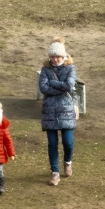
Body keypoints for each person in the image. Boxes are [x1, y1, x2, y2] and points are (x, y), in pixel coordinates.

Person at [38, 37, 76, 186]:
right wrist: (60, 87)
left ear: (63, 56)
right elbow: (43, 88)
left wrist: (53, 83)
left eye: (58, 56)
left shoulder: (70, 68)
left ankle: (68, 161)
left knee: (68, 142)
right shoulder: (45, 69)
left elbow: (70, 85)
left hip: (66, 109)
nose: (55, 59)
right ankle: (55, 172)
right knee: (52, 143)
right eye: (53, 57)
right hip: (50, 111)